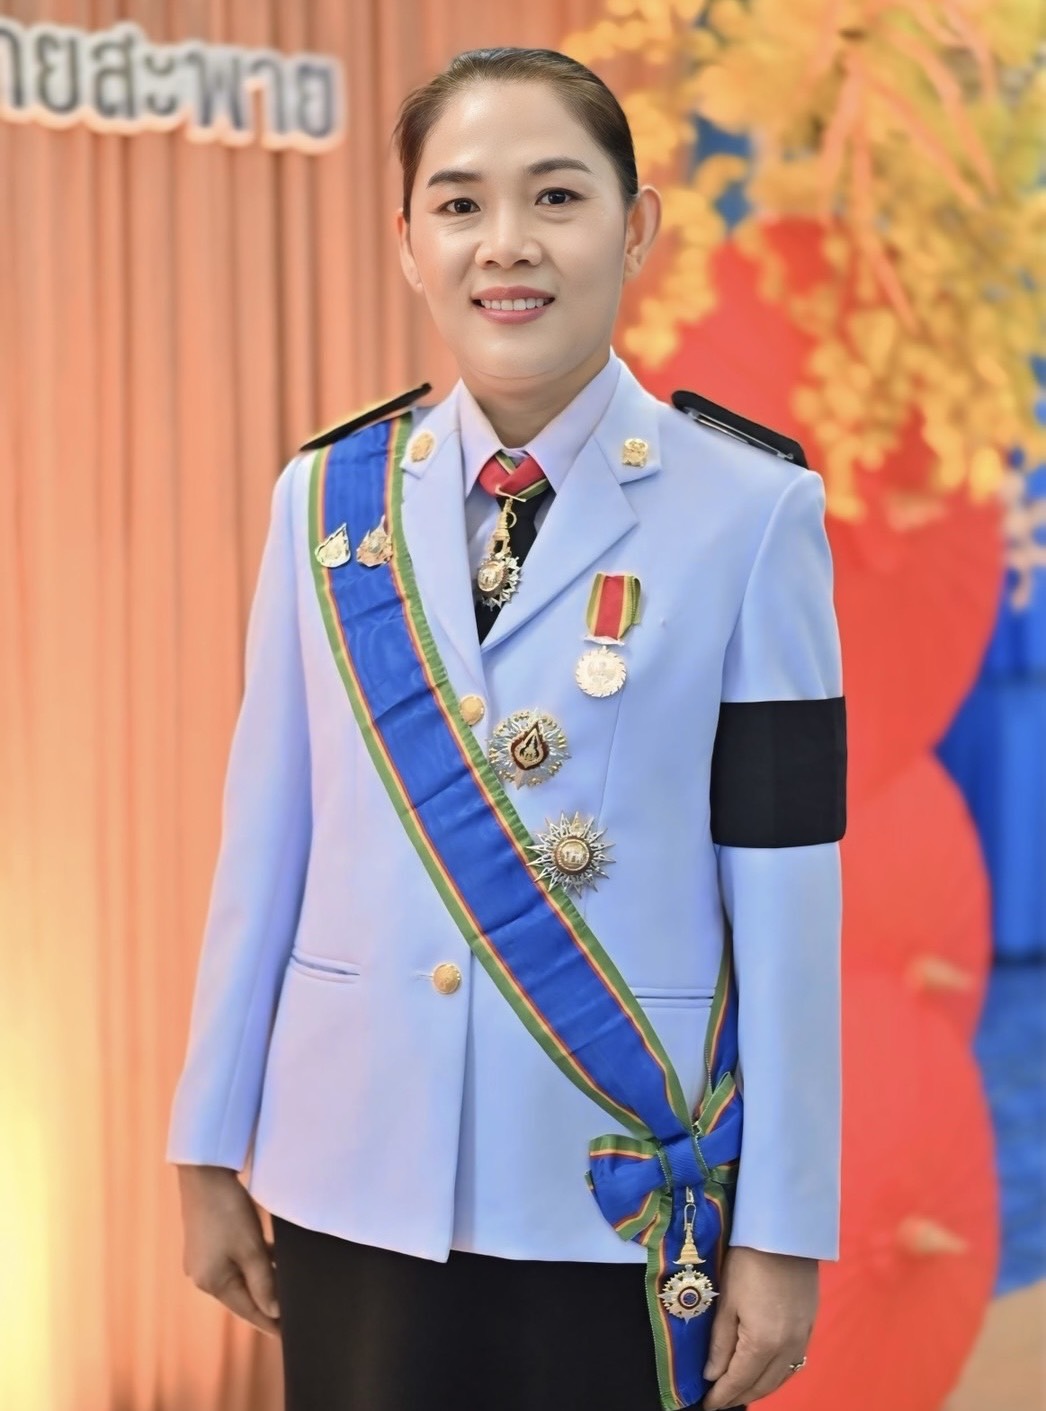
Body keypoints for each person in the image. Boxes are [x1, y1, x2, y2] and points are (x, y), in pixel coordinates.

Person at [168, 46, 846, 1411]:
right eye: (461, 204)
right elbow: (265, 843)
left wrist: (785, 1222)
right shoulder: (325, 502)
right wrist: (206, 1141)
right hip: (351, 1165)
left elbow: (786, 890)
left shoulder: (751, 511)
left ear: (634, 227)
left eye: (556, 196)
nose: (507, 244)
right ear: (408, 242)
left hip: (610, 1179)